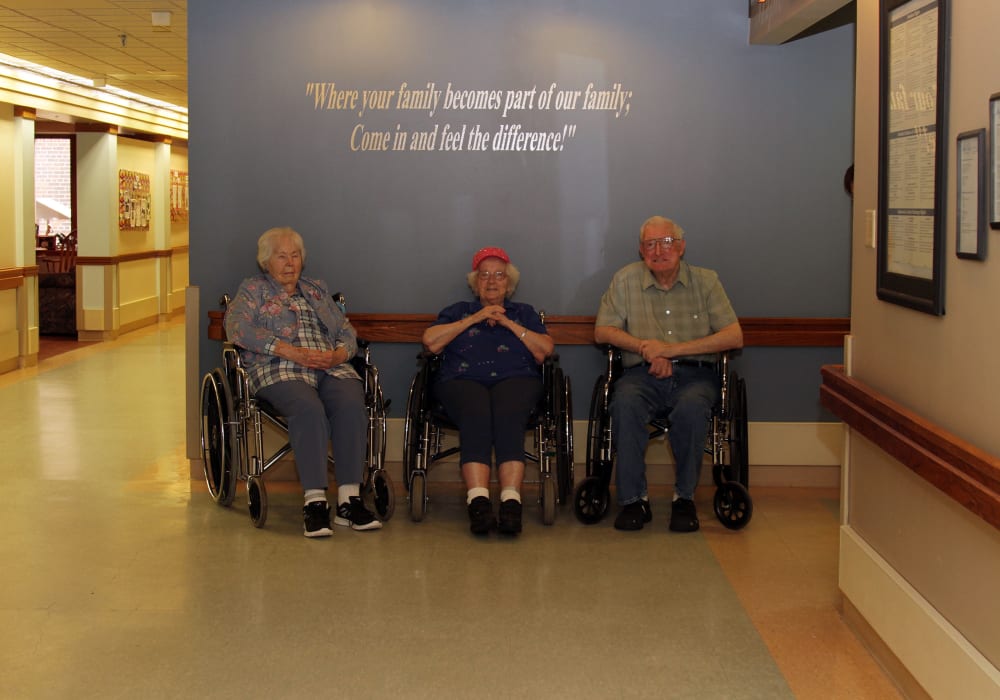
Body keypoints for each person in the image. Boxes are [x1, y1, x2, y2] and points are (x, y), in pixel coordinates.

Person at [225, 226, 381, 537]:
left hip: (328, 365)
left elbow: (346, 330)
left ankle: (349, 501)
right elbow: (236, 327)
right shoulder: (252, 290)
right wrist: (289, 351)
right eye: (281, 256)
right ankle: (315, 503)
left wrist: (339, 355)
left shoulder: (316, 289)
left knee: (351, 403)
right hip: (280, 367)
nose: (289, 263)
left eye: (295, 256)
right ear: (266, 261)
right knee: (308, 409)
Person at [594, 216, 743, 533]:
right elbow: (602, 331)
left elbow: (734, 337)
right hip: (642, 375)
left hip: (696, 375)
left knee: (692, 408)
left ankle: (684, 498)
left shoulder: (707, 281)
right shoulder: (625, 280)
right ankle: (634, 500)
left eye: (666, 242)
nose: (658, 251)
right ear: (640, 250)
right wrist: (646, 348)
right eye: (650, 244)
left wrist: (671, 351)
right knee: (625, 403)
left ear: (681, 246)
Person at [421, 247, 555, 536]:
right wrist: (475, 318)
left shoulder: (524, 313)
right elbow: (430, 343)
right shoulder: (458, 311)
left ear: (509, 283)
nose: (492, 281)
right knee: (476, 410)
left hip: (516, 380)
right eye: (484, 276)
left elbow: (545, 350)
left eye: (499, 276)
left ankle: (510, 501)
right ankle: (478, 501)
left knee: (508, 411)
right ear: (475, 282)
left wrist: (507, 322)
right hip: (462, 381)